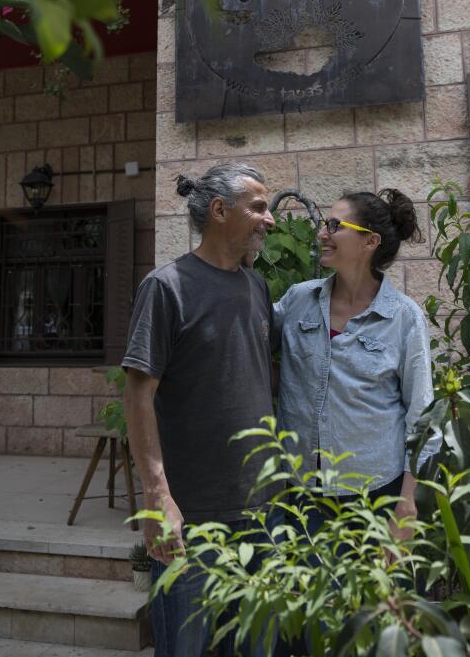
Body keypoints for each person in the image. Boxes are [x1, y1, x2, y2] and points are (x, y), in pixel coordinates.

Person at [121, 162, 277, 657]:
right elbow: (138, 394)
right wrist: (157, 498)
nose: (269, 219)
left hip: (261, 512)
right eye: (258, 207)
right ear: (218, 211)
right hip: (191, 520)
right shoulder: (166, 287)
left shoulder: (257, 286)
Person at [272, 189, 437, 542]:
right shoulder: (298, 301)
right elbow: (244, 341)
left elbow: (422, 417)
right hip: (301, 494)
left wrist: (407, 504)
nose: (322, 233)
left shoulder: (403, 318)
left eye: (335, 225)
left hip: (377, 496)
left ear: (370, 242)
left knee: (376, 599)